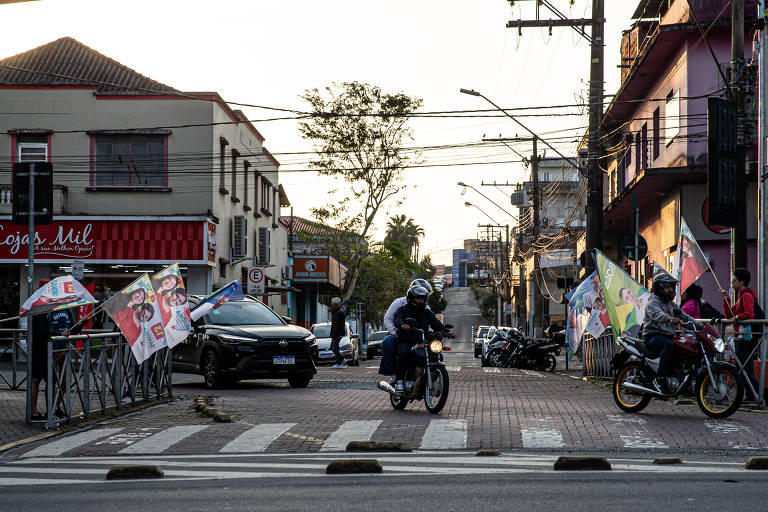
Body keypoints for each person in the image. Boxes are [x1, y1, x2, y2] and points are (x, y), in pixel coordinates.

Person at [641, 273, 696, 393]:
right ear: (659, 288)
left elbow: (684, 316)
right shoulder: (653, 301)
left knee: (684, 346)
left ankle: (681, 379)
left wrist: (701, 325)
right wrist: (669, 318)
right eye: (667, 287)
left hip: (668, 336)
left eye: (671, 287)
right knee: (669, 345)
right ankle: (660, 378)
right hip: (653, 336)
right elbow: (656, 314)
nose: (670, 289)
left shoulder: (671, 304)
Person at [392, 285, 446, 393]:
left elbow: (435, 323)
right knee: (403, 353)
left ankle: (430, 378)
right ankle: (399, 381)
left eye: (422, 298)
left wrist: (446, 331)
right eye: (418, 298)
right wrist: (402, 324)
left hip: (421, 340)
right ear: (411, 298)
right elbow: (397, 318)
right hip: (405, 339)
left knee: (437, 355)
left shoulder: (426, 312)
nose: (420, 300)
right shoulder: (403, 310)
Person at [379, 279, 434, 379]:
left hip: (417, 335)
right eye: (418, 294)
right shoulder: (399, 302)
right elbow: (388, 318)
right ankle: (394, 373)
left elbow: (431, 322)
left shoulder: (426, 307)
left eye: (424, 295)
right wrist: (394, 332)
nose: (421, 298)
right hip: (398, 333)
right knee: (388, 342)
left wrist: (433, 333)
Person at [721, 268, 762, 391]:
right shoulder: (740, 297)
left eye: (734, 280)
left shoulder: (746, 295)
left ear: (741, 282)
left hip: (747, 336)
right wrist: (726, 299)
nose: (732, 282)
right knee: (745, 366)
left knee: (741, 366)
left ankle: (760, 391)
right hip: (741, 335)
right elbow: (729, 314)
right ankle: (752, 394)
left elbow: (749, 314)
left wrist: (737, 317)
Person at [329, 297, 347, 368]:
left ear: (335, 304)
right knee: (334, 347)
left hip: (337, 334)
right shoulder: (337, 312)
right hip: (337, 333)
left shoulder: (338, 313)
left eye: (332, 304)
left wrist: (333, 334)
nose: (332, 305)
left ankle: (340, 361)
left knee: (334, 347)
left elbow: (336, 325)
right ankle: (340, 361)